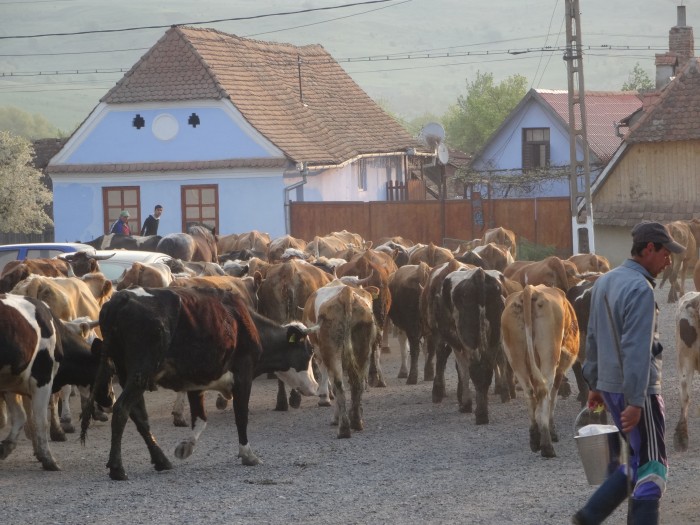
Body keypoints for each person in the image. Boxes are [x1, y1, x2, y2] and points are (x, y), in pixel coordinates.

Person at [572, 221, 683, 525]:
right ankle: (593, 514)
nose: (669, 260)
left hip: (610, 388)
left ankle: (590, 514)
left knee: (636, 458)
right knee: (654, 467)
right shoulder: (640, 289)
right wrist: (636, 402)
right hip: (638, 392)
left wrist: (594, 384)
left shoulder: (605, 281)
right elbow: (636, 350)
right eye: (666, 252)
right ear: (649, 249)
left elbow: (591, 337)